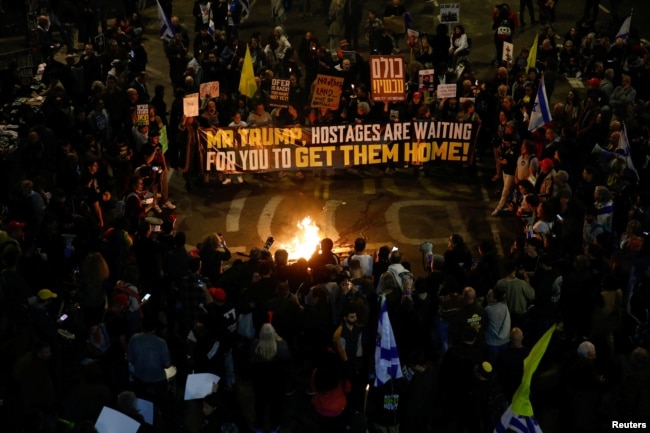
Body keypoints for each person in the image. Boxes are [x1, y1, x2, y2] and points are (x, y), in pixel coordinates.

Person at [249, 323, 291, 433]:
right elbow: (287, 361)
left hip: (260, 383)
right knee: (276, 406)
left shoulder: (254, 346)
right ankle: (274, 427)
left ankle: (258, 426)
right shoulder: (282, 346)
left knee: (259, 405)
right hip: (276, 383)